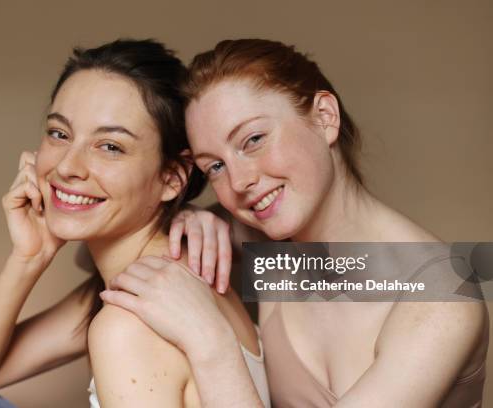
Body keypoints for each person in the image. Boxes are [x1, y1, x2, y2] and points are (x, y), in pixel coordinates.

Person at [102, 39, 489, 407]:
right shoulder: (264, 240)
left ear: (325, 117)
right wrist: (192, 220)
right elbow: (119, 246)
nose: (238, 183)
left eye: (253, 139)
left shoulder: (441, 298)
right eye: (215, 166)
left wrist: (212, 345)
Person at [0, 39, 270, 408]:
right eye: (59, 133)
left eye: (110, 147)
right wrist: (29, 257)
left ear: (172, 178)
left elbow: (326, 274)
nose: (67, 167)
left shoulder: (130, 321)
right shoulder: (139, 283)